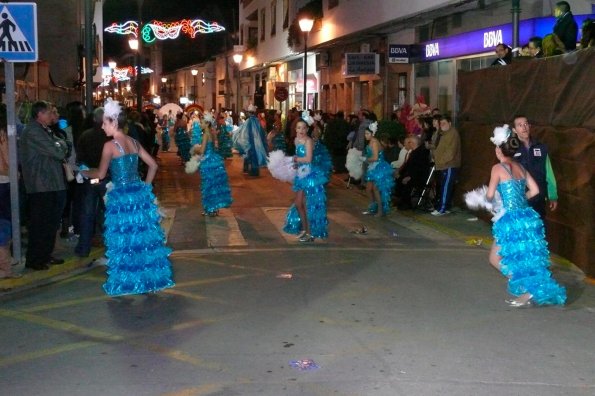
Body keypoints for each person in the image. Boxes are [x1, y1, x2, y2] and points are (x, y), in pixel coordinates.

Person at [82, 99, 174, 296]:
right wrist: (145, 189)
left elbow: (100, 174)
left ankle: (127, 283)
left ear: (114, 122)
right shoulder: (133, 142)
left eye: (105, 123)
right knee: (142, 241)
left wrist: (83, 172)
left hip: (121, 199)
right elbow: (153, 166)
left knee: (124, 241)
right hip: (138, 195)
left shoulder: (110, 146)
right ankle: (148, 281)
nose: (102, 126)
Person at [485, 125, 566, 307]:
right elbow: (535, 190)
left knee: (495, 258)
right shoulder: (520, 167)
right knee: (524, 258)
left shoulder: (497, 168)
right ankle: (528, 289)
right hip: (526, 217)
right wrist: (519, 200)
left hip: (509, 220)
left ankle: (528, 289)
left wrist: (493, 202)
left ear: (499, 149)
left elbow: (489, 196)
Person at [19, 101, 69, 271]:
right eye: (48, 113)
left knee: (50, 223)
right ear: (39, 114)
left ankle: (45, 255)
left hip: (50, 183)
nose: (52, 116)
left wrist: (60, 145)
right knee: (40, 223)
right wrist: (60, 146)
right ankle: (35, 259)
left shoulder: (44, 130)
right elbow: (58, 151)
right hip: (40, 184)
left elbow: (62, 144)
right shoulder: (33, 131)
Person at [283, 112, 328, 242]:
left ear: (307, 129)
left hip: (309, 175)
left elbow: (308, 158)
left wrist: (295, 159)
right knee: (298, 204)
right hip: (301, 174)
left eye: (303, 128)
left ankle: (310, 233)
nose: (301, 130)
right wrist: (296, 164)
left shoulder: (308, 141)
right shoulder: (297, 140)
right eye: (298, 128)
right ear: (295, 129)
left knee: (308, 205)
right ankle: (305, 229)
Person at [74, 107, 110, 258]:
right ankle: (110, 245)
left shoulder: (85, 135)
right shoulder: (110, 137)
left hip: (90, 178)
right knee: (109, 213)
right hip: (107, 178)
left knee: (87, 213)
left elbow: (79, 158)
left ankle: (83, 248)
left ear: (94, 119)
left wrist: (85, 172)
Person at [512, 116, 557, 219]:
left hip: (539, 198)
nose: (524, 127)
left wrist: (553, 195)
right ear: (514, 130)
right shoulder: (511, 150)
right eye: (520, 125)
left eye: (526, 124)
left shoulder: (541, 147)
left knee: (540, 230)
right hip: (521, 198)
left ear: (529, 126)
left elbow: (549, 173)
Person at [191, 114, 232, 216]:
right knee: (214, 185)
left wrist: (195, 148)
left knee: (208, 185)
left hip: (208, 162)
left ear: (207, 123)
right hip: (214, 160)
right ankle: (214, 208)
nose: (200, 124)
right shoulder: (212, 133)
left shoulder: (205, 135)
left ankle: (210, 209)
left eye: (202, 122)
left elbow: (202, 150)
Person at [361, 121, 395, 217]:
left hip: (379, 167)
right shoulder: (370, 142)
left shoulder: (374, 142)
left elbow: (375, 158)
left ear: (372, 134)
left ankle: (380, 211)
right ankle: (372, 208)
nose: (365, 135)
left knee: (376, 189)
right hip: (372, 167)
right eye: (365, 133)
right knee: (368, 189)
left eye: (367, 134)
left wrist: (366, 159)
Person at [430, 115, 461, 216]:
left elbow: (451, 152)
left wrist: (441, 161)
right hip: (442, 165)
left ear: (450, 123)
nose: (442, 125)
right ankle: (444, 207)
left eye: (444, 123)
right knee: (444, 186)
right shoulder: (442, 134)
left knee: (446, 187)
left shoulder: (453, 134)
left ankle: (442, 209)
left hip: (449, 165)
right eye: (440, 124)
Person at [394, 135, 431, 210]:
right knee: (398, 179)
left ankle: (405, 203)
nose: (407, 144)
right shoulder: (414, 152)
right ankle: (399, 200)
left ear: (412, 143)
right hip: (412, 175)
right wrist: (399, 173)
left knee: (404, 181)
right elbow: (408, 166)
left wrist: (409, 177)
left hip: (418, 177)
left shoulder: (421, 153)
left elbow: (419, 169)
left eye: (409, 142)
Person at [232, 105, 268, 176]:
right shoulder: (257, 121)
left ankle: (248, 170)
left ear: (249, 113)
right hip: (257, 143)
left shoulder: (248, 121)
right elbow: (261, 132)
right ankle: (255, 171)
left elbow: (243, 132)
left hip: (250, 142)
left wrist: (240, 139)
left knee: (248, 156)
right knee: (255, 156)